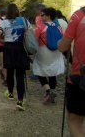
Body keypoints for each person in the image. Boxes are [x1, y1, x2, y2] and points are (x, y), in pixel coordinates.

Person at [0, 3, 30, 111]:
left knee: (10, 72)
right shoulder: (24, 21)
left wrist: (5, 42)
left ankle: (10, 94)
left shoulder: (3, 22)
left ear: (7, 12)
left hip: (9, 48)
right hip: (21, 48)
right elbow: (30, 34)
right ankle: (20, 101)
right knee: (20, 75)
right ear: (17, 10)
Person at [58, 7, 85, 137]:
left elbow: (63, 46)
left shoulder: (78, 16)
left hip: (81, 77)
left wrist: (59, 43)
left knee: (75, 121)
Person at [33, 7, 65, 103]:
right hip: (56, 52)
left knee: (38, 70)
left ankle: (48, 90)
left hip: (44, 51)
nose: (41, 16)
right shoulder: (58, 26)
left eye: (42, 15)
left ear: (48, 16)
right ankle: (52, 91)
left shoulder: (41, 26)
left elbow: (34, 39)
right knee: (52, 72)